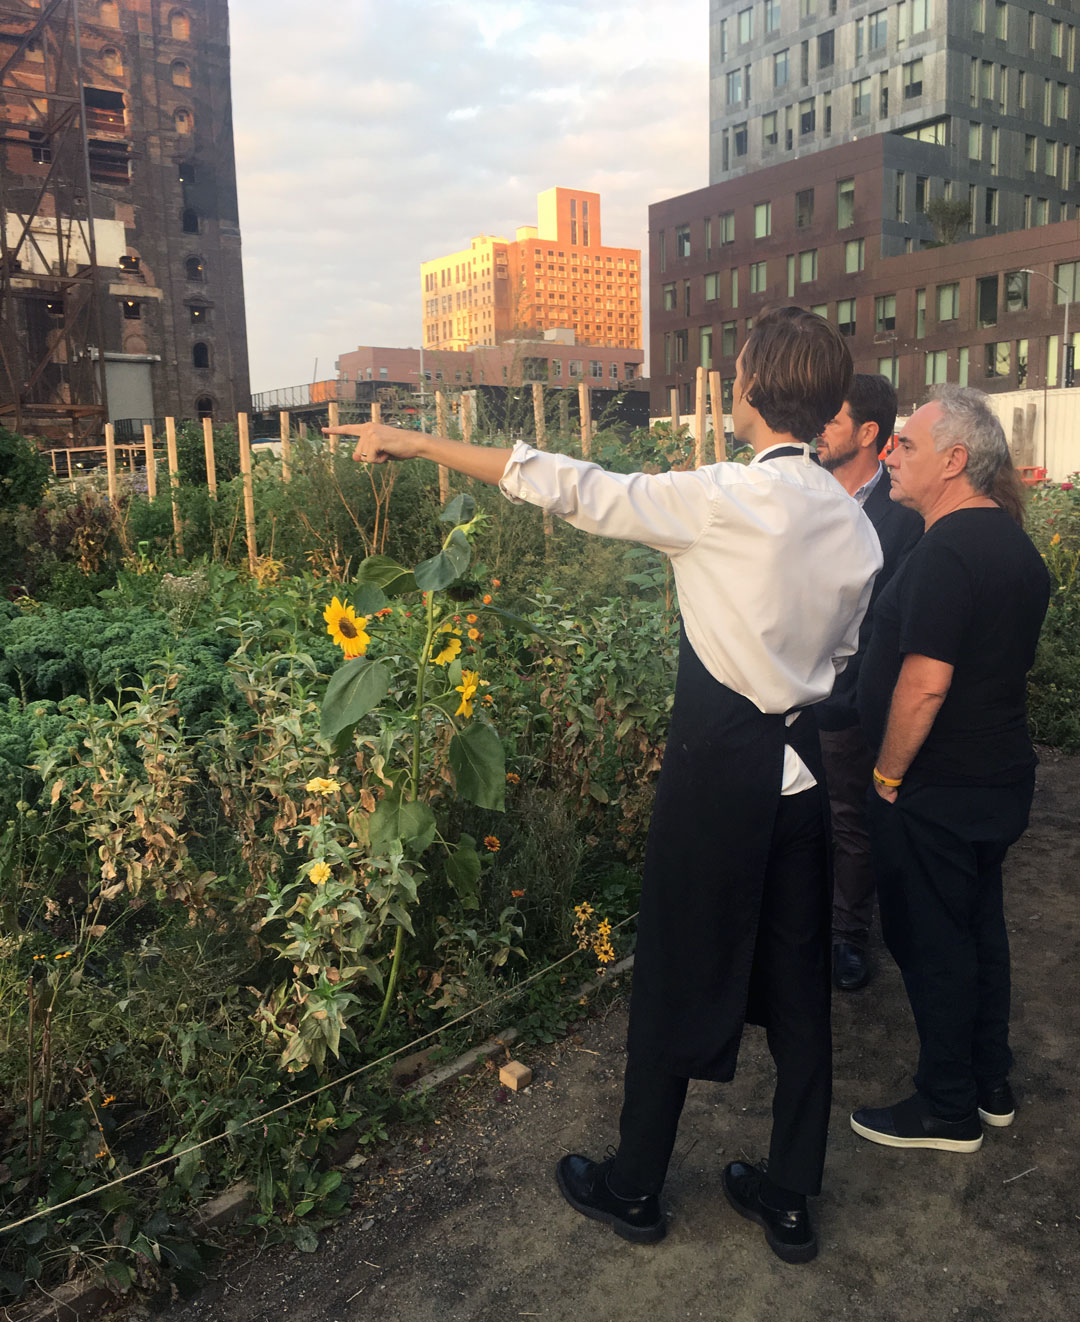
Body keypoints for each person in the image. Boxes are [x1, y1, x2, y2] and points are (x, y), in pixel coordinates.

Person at [326, 307, 881, 1263]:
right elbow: (842, 658)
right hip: (798, 782)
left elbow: (571, 486)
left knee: (673, 971)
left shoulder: (716, 499)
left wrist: (413, 439)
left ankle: (635, 1187)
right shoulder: (857, 526)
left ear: (747, 387)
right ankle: (789, 1199)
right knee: (799, 994)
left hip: (717, 776)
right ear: (832, 405)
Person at [852, 386, 1050, 1153]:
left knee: (933, 942)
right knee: (976, 932)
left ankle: (946, 1107)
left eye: (905, 444)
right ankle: (988, 1081)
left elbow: (926, 682)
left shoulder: (946, 551)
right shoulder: (1013, 547)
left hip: (935, 788)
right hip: (996, 776)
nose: (891, 455)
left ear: (955, 460)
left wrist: (888, 776)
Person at [815, 375, 923, 992]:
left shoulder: (900, 518)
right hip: (788, 693)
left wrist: (856, 699)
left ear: (867, 433)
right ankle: (804, 923)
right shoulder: (805, 497)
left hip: (851, 700)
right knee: (802, 814)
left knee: (849, 819)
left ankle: (849, 935)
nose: (819, 430)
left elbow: (895, 620)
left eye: (833, 420)